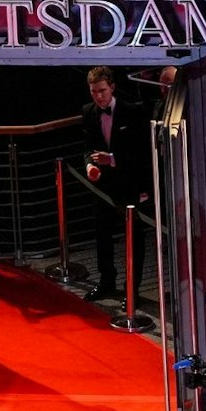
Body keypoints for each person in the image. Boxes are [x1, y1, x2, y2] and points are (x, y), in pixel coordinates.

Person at [81, 65, 153, 305]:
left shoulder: (132, 111)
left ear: (112, 87)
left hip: (130, 184)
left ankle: (132, 289)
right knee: (102, 235)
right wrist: (90, 166)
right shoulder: (88, 112)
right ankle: (106, 282)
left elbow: (143, 153)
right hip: (102, 187)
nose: (98, 96)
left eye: (101, 90)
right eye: (93, 92)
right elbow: (88, 148)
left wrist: (111, 160)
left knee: (134, 238)